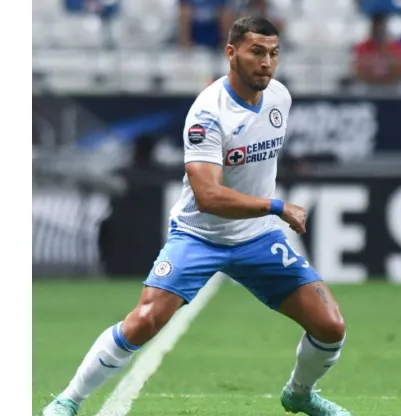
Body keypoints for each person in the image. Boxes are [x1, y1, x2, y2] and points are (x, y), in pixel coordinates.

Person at [41, 17, 352, 416]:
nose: (266, 63)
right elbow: (207, 196)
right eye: (256, 52)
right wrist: (276, 206)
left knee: (331, 326)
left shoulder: (280, 98)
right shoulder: (207, 113)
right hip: (199, 235)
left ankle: (300, 394)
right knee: (146, 319)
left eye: (274, 54)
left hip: (256, 236)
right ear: (231, 52)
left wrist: (266, 213)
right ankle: (69, 400)